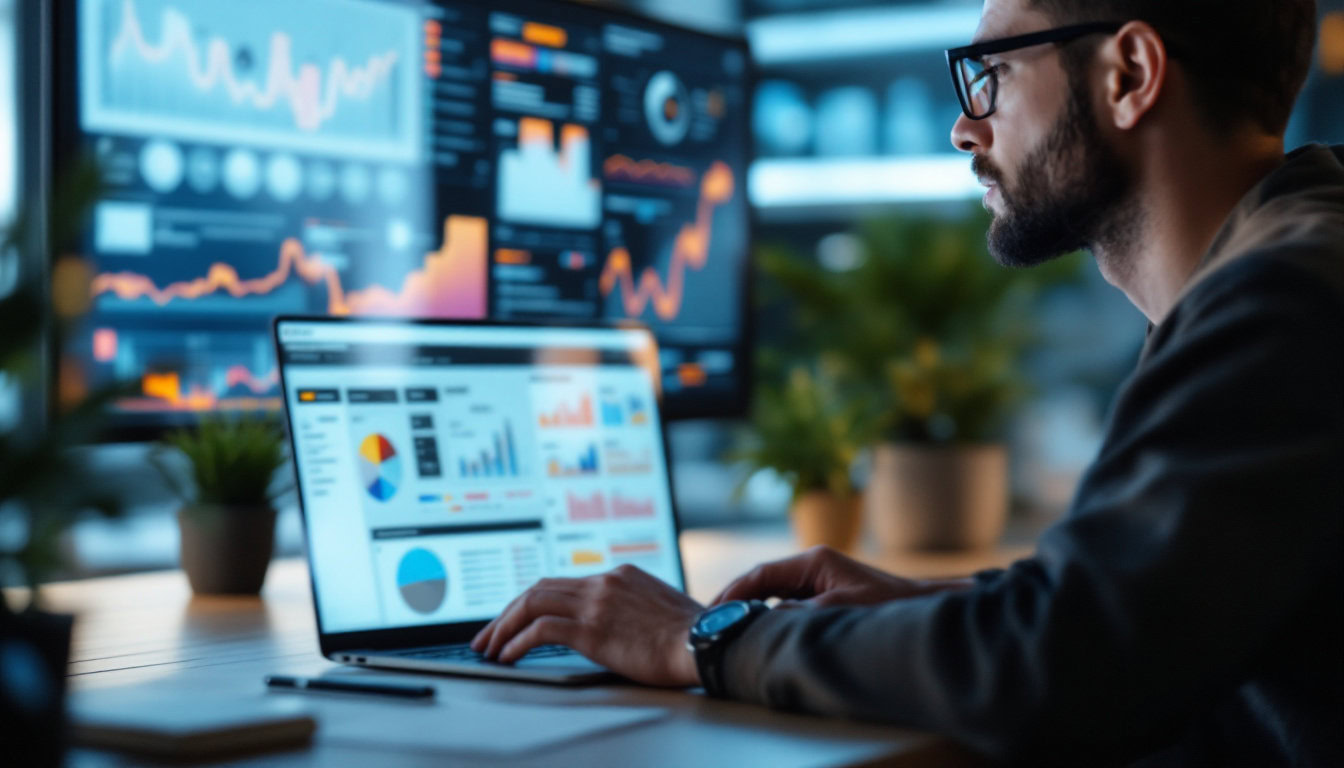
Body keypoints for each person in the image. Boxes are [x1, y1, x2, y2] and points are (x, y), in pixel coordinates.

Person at [472, 0, 1343, 763]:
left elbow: (1065, 666)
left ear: (1130, 74)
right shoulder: (1278, 272)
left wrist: (705, 639)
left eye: (991, 73)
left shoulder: (1286, 296)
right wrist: (916, 612)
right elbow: (1157, 615)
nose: (965, 128)